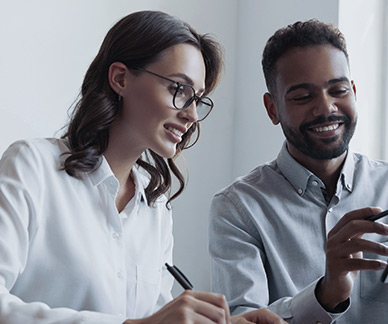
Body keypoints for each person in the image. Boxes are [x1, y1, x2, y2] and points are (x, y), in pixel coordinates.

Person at [209, 19, 388, 323]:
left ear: (353, 91)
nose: (326, 108)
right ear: (273, 109)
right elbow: (242, 320)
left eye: (337, 90)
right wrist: (327, 293)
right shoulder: (238, 207)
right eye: (302, 96)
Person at [0, 10, 284, 324]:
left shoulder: (155, 208)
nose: (191, 115)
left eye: (197, 98)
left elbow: (155, 319)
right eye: (179, 90)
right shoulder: (31, 166)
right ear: (120, 78)